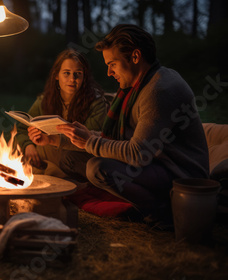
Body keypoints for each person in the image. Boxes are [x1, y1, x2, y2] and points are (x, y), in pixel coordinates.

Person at [57, 24, 209, 222]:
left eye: (112, 64)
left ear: (135, 57)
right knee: (70, 158)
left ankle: (163, 211)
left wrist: (89, 142)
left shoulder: (159, 90)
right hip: (156, 163)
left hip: (182, 175)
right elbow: (119, 140)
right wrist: (63, 139)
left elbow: (137, 154)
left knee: (97, 168)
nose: (109, 73)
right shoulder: (138, 86)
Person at [15, 49, 108, 181]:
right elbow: (22, 129)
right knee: (16, 151)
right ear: (56, 75)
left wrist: (55, 138)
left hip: (73, 158)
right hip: (43, 155)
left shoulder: (95, 102)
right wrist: (28, 145)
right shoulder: (45, 100)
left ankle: (53, 177)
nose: (72, 79)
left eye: (78, 74)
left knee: (67, 156)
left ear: (84, 77)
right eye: (66, 73)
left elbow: (91, 141)